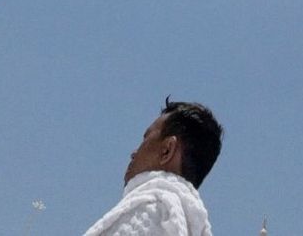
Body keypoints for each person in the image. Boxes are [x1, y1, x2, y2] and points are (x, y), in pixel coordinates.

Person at [83, 99, 223, 236]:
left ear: (166, 150)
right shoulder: (194, 225)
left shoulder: (152, 209)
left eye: (145, 139)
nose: (134, 152)